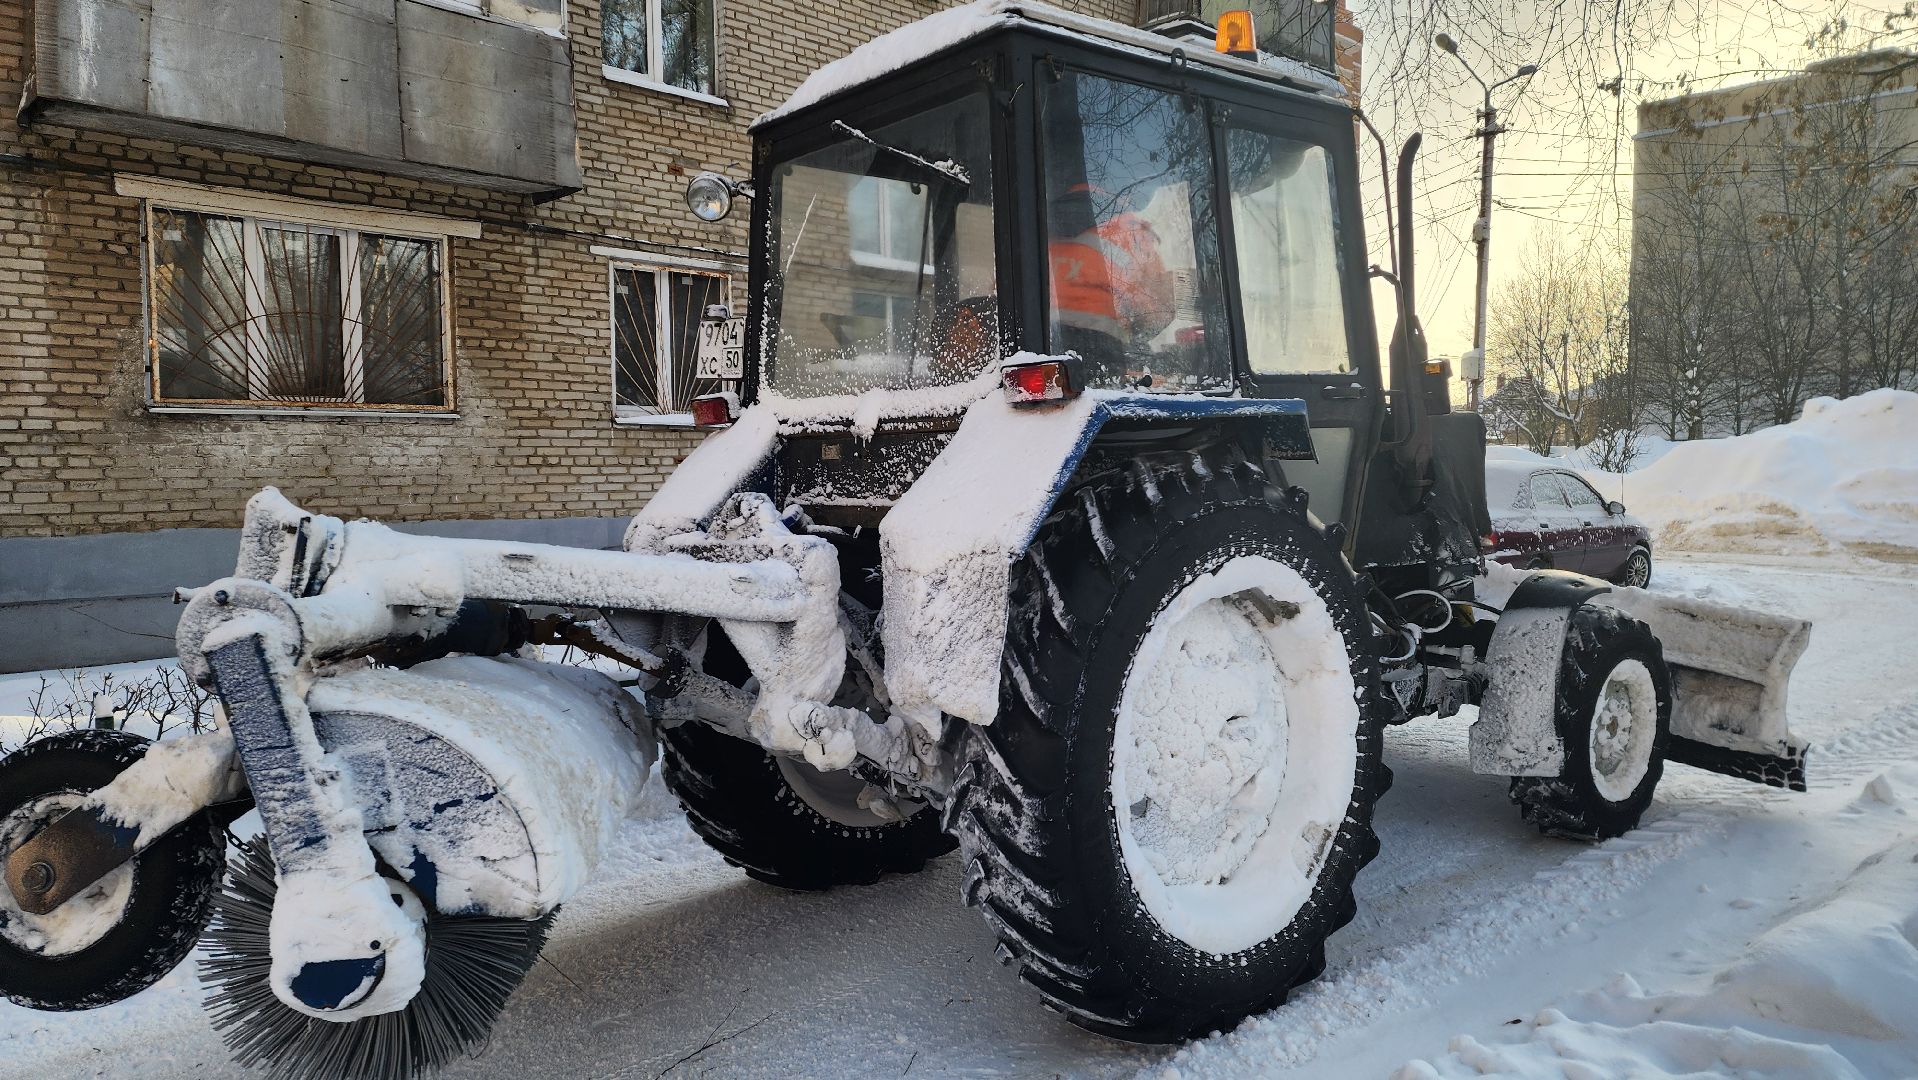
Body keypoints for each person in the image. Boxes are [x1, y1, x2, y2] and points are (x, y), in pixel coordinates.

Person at [1047, 183, 1177, 382]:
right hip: (1101, 349)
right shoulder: (1131, 232)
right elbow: (1156, 309)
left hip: (1045, 352)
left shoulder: (1038, 225)